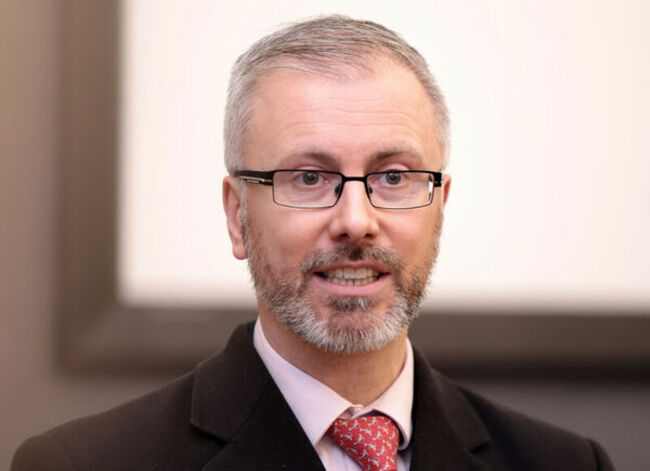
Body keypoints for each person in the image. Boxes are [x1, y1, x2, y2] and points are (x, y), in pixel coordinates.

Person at [12, 15, 613, 471]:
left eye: (394, 177)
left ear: (440, 206)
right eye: (309, 177)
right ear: (235, 214)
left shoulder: (566, 463)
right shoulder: (84, 462)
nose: (357, 220)